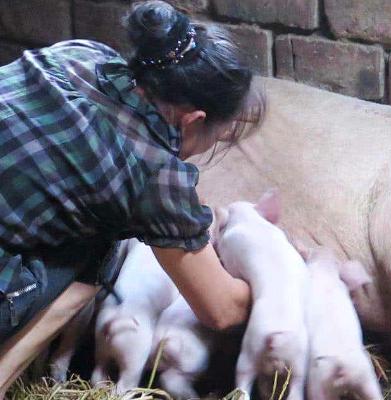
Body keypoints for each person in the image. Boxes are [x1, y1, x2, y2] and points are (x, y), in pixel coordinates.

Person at [0, 0, 263, 392]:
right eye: (218, 137)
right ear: (194, 121)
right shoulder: (157, 174)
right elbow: (222, 310)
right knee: (101, 252)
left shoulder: (82, 53)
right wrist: (272, 281)